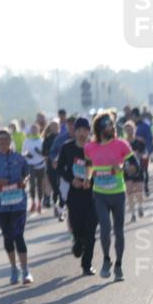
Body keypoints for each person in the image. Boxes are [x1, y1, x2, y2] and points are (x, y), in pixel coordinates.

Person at [0, 131, 33, 284]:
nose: (4, 142)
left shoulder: (19, 158)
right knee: (8, 236)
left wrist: (24, 181)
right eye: (0, 139)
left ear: (11, 141)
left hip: (18, 203)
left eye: (6, 139)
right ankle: (13, 268)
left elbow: (27, 174)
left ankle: (25, 270)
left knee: (19, 235)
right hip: (0, 205)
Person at [85, 112, 133, 281]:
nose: (112, 127)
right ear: (99, 128)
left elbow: (134, 166)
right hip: (100, 194)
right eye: (107, 124)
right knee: (105, 229)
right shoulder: (90, 147)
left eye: (112, 124)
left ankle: (119, 265)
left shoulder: (122, 144)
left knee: (119, 231)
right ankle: (107, 259)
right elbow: (89, 166)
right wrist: (87, 177)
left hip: (118, 193)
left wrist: (122, 167)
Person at [58, 118, 98, 275]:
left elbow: (101, 166)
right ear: (74, 132)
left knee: (91, 231)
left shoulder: (95, 148)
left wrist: (92, 179)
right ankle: (77, 241)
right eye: (79, 130)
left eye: (85, 130)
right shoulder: (67, 148)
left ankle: (86, 265)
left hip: (93, 194)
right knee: (77, 227)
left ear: (89, 131)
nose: (82, 134)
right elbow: (60, 168)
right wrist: (71, 179)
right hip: (74, 194)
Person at [122, 122, 146, 221]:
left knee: (139, 191)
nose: (129, 131)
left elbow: (144, 154)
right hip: (127, 170)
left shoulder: (139, 142)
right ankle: (132, 213)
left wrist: (138, 155)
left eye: (131, 129)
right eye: (127, 129)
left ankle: (140, 206)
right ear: (125, 131)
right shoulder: (122, 143)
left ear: (134, 129)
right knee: (129, 191)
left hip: (138, 169)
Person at [22, 123, 47, 213]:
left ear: (38, 130)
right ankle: (33, 203)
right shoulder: (27, 140)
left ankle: (39, 203)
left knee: (40, 185)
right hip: (30, 165)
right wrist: (27, 155)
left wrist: (40, 152)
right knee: (32, 185)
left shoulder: (41, 140)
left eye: (35, 129)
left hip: (40, 164)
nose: (33, 130)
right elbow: (23, 152)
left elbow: (45, 154)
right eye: (32, 129)